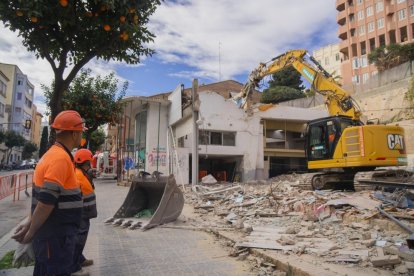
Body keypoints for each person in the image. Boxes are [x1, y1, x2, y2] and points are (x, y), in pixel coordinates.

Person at [12, 110, 87, 276]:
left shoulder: (53, 155)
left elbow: (43, 197)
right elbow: (46, 201)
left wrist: (31, 221)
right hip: (55, 238)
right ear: (75, 133)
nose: (82, 134)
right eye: (81, 131)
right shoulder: (60, 159)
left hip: (53, 236)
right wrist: (31, 232)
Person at [71, 148, 97, 274]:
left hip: (84, 213)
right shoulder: (78, 176)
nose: (91, 166)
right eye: (89, 163)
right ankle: (74, 267)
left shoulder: (82, 174)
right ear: (85, 163)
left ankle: (79, 259)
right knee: (79, 240)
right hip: (80, 213)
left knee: (81, 238)